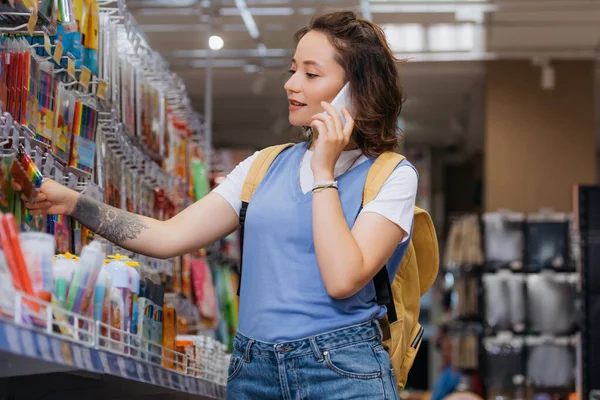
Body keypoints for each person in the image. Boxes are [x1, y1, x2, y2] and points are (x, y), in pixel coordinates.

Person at [16, 10, 418, 400]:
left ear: (356, 92)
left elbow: (343, 278)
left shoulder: (391, 176)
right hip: (253, 371)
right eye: (292, 70)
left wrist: (324, 171)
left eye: (310, 74)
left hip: (343, 373)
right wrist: (73, 202)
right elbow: (170, 235)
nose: (291, 84)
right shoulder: (263, 167)